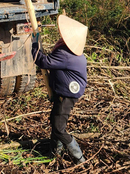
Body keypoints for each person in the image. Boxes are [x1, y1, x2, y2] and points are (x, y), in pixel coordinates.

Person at [31, 15, 88, 164]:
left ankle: (79, 157)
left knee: (58, 128)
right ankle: (55, 152)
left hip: (67, 95)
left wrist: (35, 44)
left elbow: (43, 61)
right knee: (55, 120)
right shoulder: (72, 51)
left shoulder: (66, 54)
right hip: (64, 92)